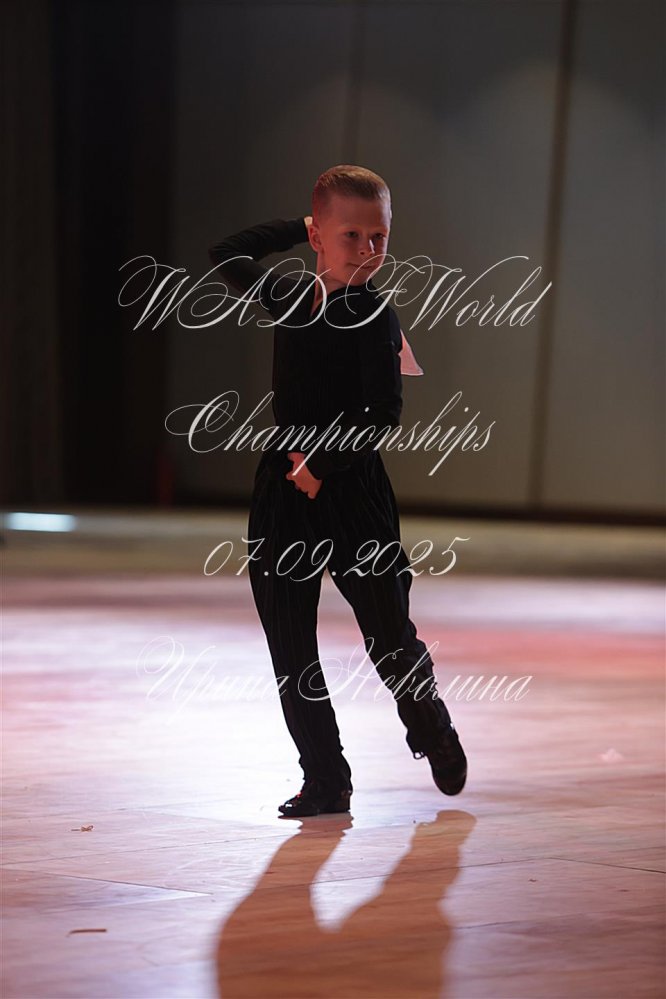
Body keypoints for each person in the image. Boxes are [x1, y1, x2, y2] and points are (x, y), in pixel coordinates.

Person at [208, 164, 467, 817]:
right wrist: (297, 225)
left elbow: (383, 412)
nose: (367, 249)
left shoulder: (375, 314)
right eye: (350, 234)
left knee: (388, 634)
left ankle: (431, 726)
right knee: (290, 644)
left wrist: (323, 463)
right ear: (318, 236)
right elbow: (227, 255)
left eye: (379, 236)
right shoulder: (290, 296)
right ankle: (325, 778)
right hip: (283, 490)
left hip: (352, 489)